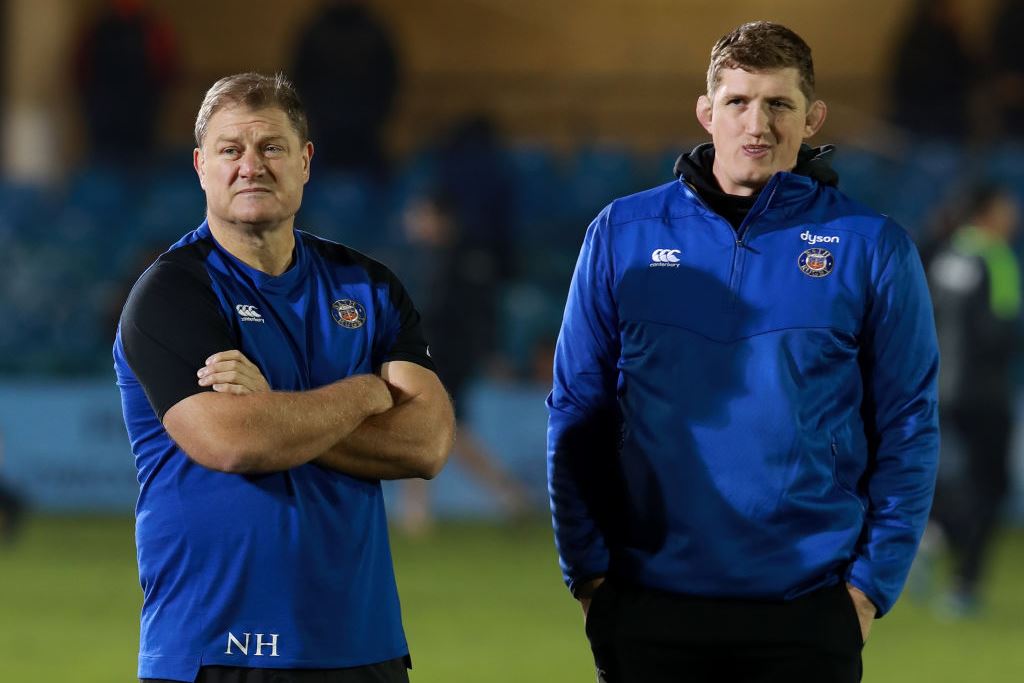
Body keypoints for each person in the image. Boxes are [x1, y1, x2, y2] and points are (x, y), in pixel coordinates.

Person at [547, 22, 939, 683]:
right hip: (649, 605)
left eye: (779, 104)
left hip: (807, 610)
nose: (757, 123)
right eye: (738, 102)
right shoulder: (623, 232)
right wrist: (588, 575)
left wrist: (870, 588)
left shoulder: (874, 247)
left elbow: (909, 423)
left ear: (812, 118)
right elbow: (576, 410)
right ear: (707, 113)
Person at [114, 72, 455, 683]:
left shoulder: (368, 285)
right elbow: (235, 442)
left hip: (362, 645)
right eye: (230, 149)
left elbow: (426, 444)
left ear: (305, 160)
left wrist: (274, 406)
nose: (252, 165)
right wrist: (364, 392)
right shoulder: (172, 293)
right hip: (215, 650)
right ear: (200, 166)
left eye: (271, 147)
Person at [926, 183, 1020, 616]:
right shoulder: (996, 257)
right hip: (985, 393)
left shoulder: (948, 254)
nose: (1013, 217)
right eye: (1007, 208)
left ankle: (935, 530)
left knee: (953, 479)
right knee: (992, 486)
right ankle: (964, 584)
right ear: (987, 213)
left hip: (942, 387)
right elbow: (997, 331)